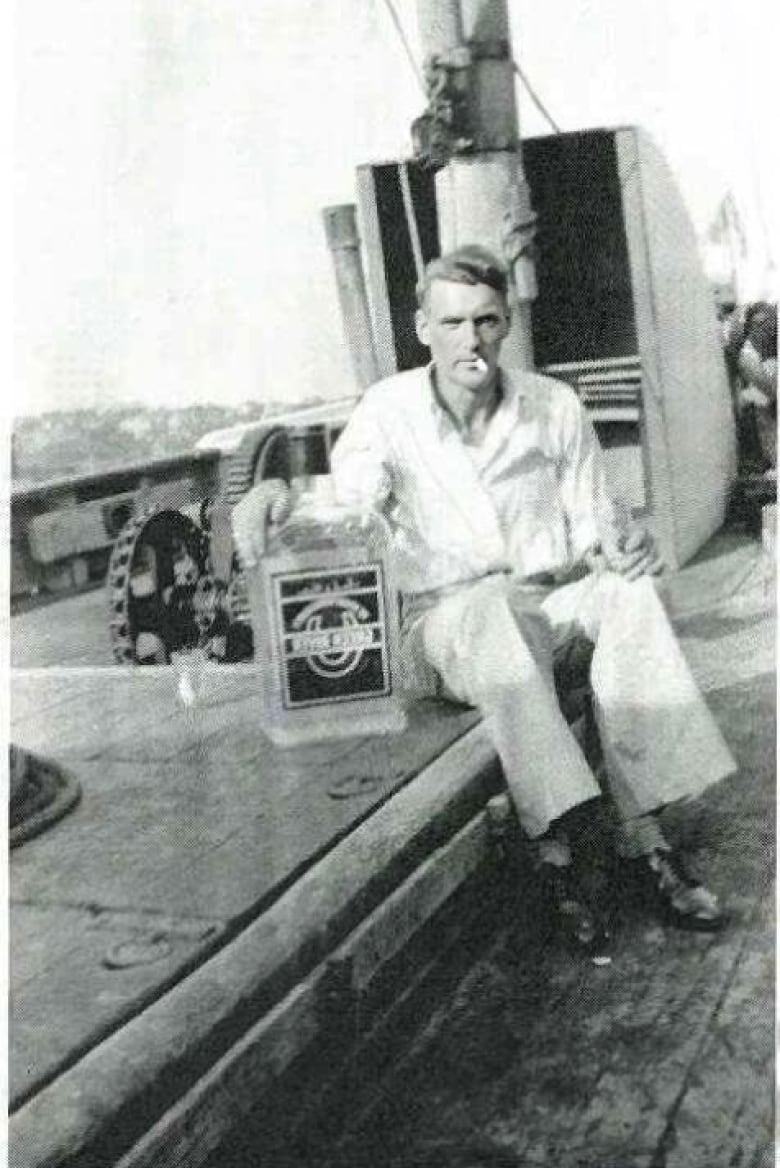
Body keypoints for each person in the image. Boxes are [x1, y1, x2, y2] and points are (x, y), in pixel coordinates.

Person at [233, 245, 736, 954]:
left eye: (486, 321)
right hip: (443, 623)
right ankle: (556, 845)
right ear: (422, 328)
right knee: (493, 610)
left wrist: (624, 550)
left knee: (628, 596)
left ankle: (639, 835)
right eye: (453, 322)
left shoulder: (552, 406)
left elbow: (596, 525)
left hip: (544, 602)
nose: (470, 339)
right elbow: (343, 507)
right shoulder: (387, 412)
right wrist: (276, 493)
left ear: (506, 325)